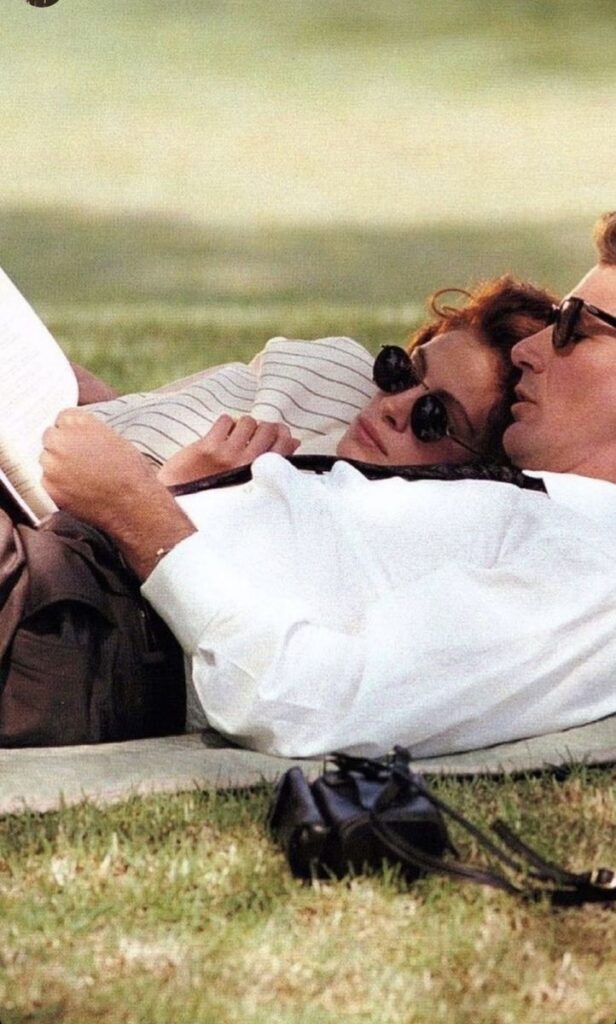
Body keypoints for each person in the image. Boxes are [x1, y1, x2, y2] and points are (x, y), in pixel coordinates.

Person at [44, 200, 616, 762]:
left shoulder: (595, 565)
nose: (529, 348)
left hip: (84, 621)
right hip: (72, 563)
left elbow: (308, 701)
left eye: (575, 329)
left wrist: (137, 512)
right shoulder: (542, 499)